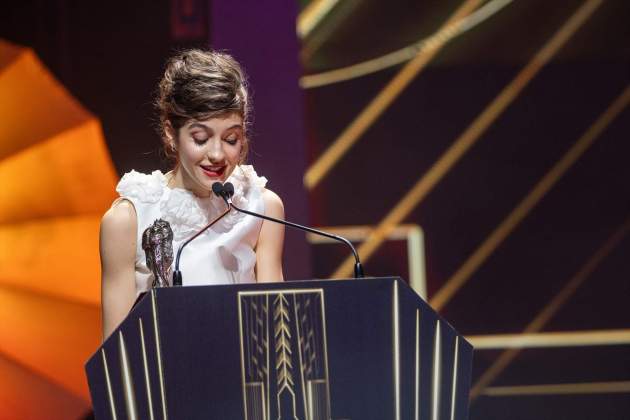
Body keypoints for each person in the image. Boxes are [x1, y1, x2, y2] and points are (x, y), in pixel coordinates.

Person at [99, 49, 284, 339]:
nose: (217, 154)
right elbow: (116, 356)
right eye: (201, 138)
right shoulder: (130, 219)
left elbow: (277, 330)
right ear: (171, 134)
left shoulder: (261, 208)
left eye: (231, 139)